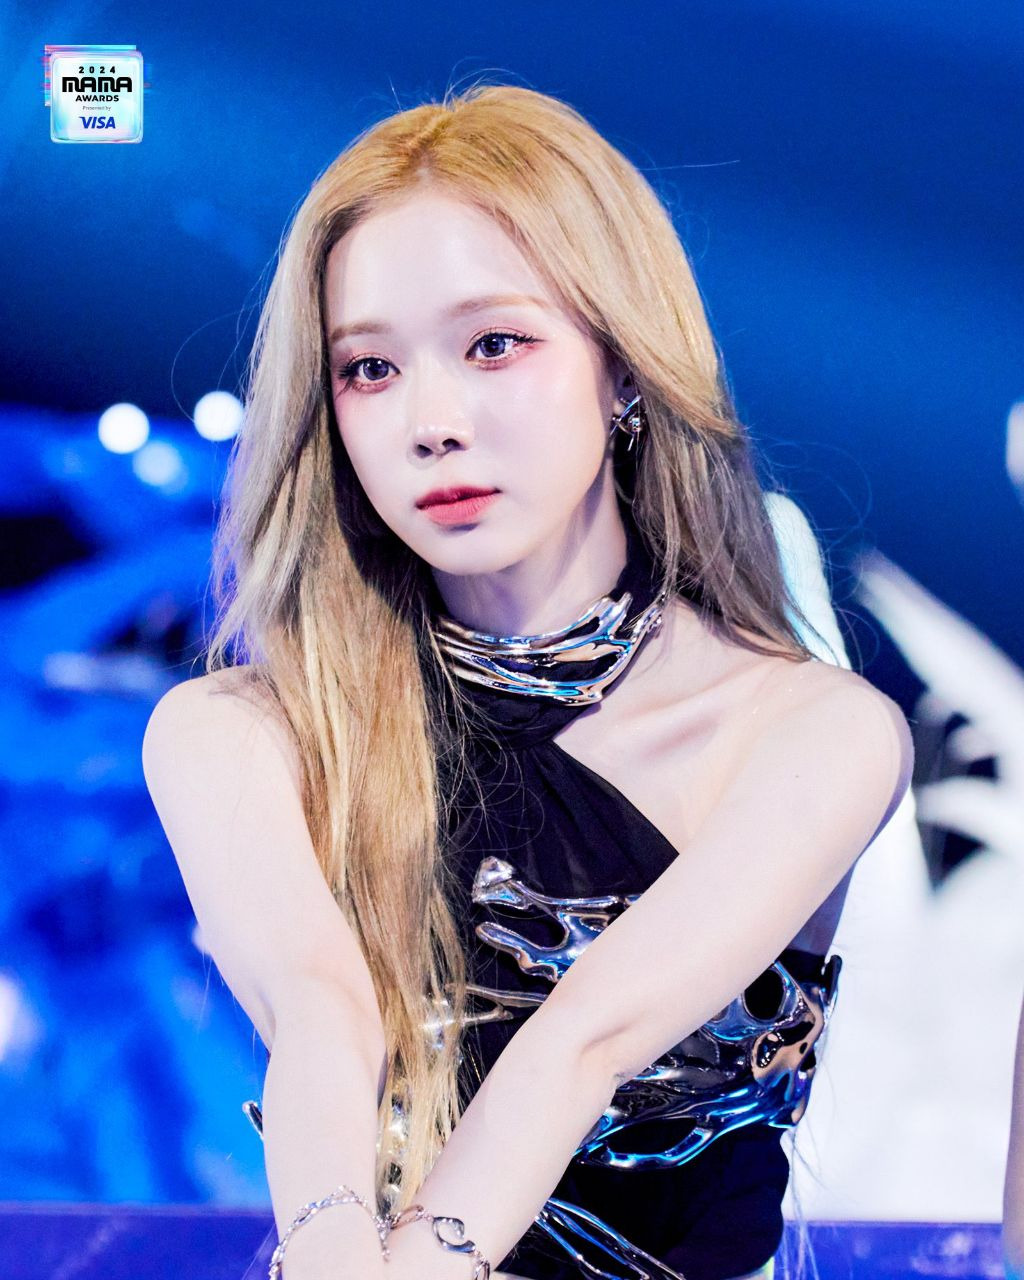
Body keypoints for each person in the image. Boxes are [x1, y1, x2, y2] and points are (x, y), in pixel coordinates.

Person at [141, 83, 913, 1280]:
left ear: (624, 368)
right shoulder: (239, 732)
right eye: (368, 368)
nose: (431, 421)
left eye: (493, 345)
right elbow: (318, 1010)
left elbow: (582, 1042)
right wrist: (335, 1251)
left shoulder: (808, 732)